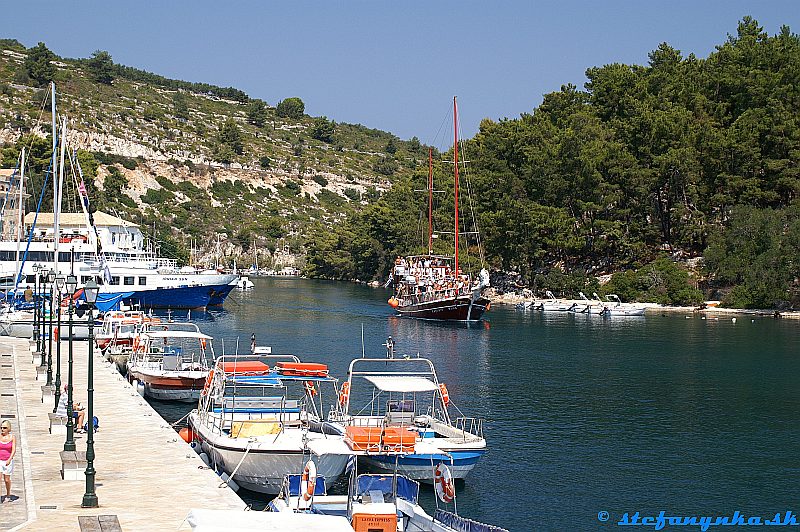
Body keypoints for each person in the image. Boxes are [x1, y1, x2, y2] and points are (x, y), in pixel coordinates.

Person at [0, 420, 16, 503]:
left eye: (4, 428)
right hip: (0, 460)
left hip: (7, 461)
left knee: (6, 479)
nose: (2, 429)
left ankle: (8, 494)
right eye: (1, 428)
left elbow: (13, 450)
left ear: (8, 428)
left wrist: (9, 459)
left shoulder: (12, 437)